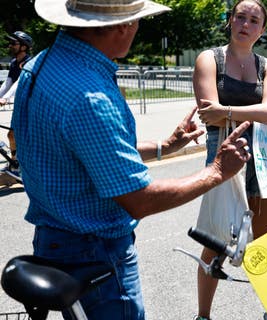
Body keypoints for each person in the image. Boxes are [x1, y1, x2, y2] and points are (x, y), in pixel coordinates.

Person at [11, 0, 252, 318]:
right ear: (123, 26)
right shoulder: (91, 96)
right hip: (94, 251)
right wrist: (217, 171)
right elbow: (140, 200)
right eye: (138, 21)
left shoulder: (40, 65)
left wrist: (165, 146)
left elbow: (86, 150)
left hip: (53, 237)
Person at [191, 0, 267, 319]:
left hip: (265, 161)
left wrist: (226, 111)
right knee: (215, 241)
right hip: (224, 159)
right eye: (240, 17)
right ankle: (203, 314)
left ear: (262, 29)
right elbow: (206, 112)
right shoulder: (209, 59)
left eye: (253, 20)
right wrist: (254, 113)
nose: (245, 24)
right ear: (230, 21)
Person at [0, 31, 32, 106]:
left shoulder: (29, 63)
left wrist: (5, 98)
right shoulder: (14, 62)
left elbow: (20, 82)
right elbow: (9, 81)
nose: (10, 46)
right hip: (20, 101)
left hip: (31, 102)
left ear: (23, 47)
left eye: (13, 43)